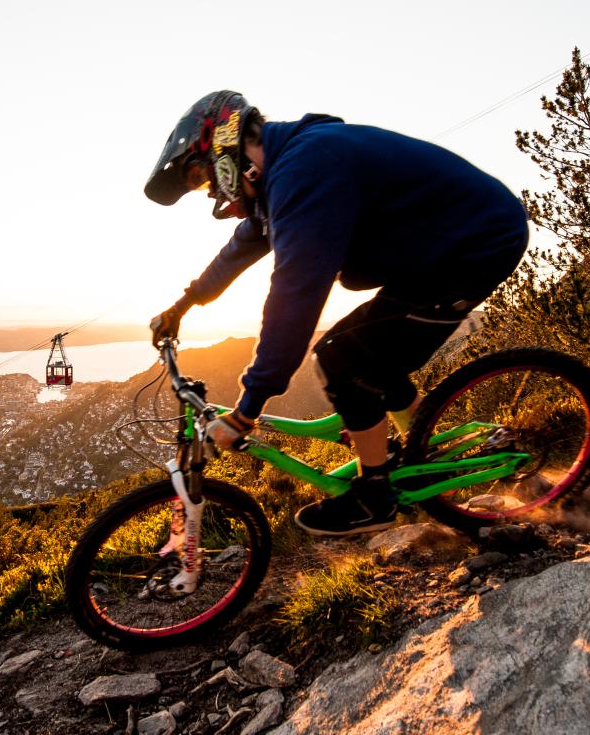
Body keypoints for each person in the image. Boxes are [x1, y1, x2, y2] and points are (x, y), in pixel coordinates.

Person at [145, 91, 528, 536]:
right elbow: (238, 250)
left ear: (225, 143)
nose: (211, 192)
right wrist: (182, 307)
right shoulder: (283, 177)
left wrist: (246, 410)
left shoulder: (306, 169)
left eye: (200, 177)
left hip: (475, 246)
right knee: (370, 361)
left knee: (341, 359)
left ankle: (375, 498)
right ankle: (426, 456)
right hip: (436, 252)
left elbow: (295, 296)